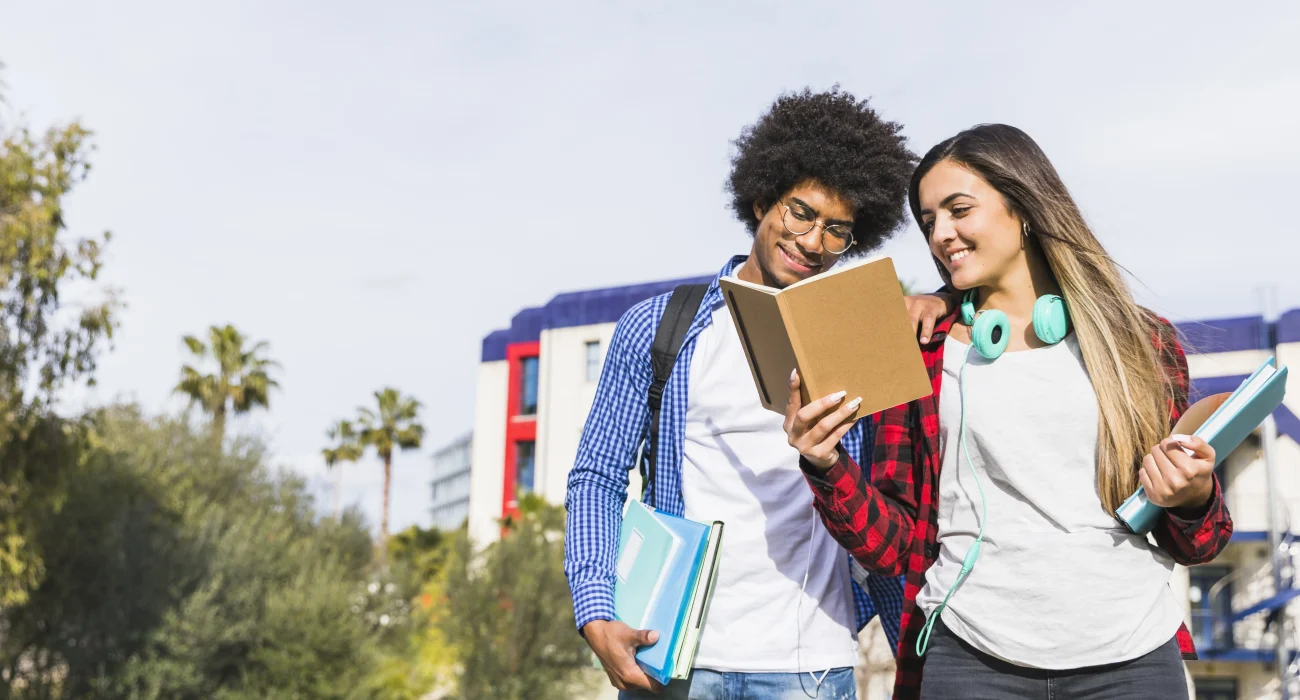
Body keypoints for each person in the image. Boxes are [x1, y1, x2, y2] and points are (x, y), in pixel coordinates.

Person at [783, 123, 1234, 700]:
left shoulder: (1141, 344)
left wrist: (1192, 497)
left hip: (1133, 657)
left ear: (1022, 207)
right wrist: (825, 465)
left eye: (958, 209)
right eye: (928, 221)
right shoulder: (918, 350)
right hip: (969, 660)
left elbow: (1196, 544)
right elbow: (892, 544)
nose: (940, 234)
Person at [565, 88, 955, 699]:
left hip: (813, 665)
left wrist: (946, 301)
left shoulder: (868, 337)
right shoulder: (660, 327)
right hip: (673, 657)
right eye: (800, 213)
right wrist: (594, 610)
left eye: (837, 231)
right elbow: (596, 476)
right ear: (760, 199)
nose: (812, 241)